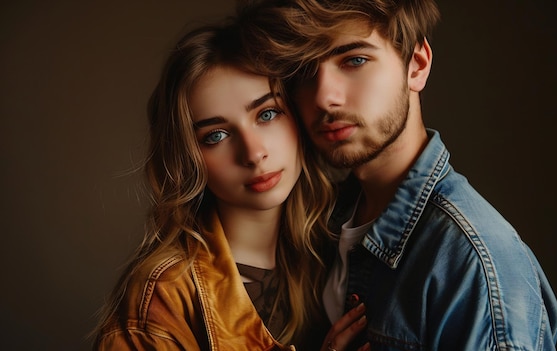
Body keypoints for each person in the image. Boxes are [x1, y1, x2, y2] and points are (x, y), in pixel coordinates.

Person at [238, 0, 557, 350]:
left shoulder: (473, 263)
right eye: (302, 72)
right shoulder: (323, 219)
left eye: (354, 60)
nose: (324, 97)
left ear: (417, 65)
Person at [91, 19, 368, 351]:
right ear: (188, 158)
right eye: (216, 136)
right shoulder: (162, 300)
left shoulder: (341, 246)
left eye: (267, 114)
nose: (253, 153)